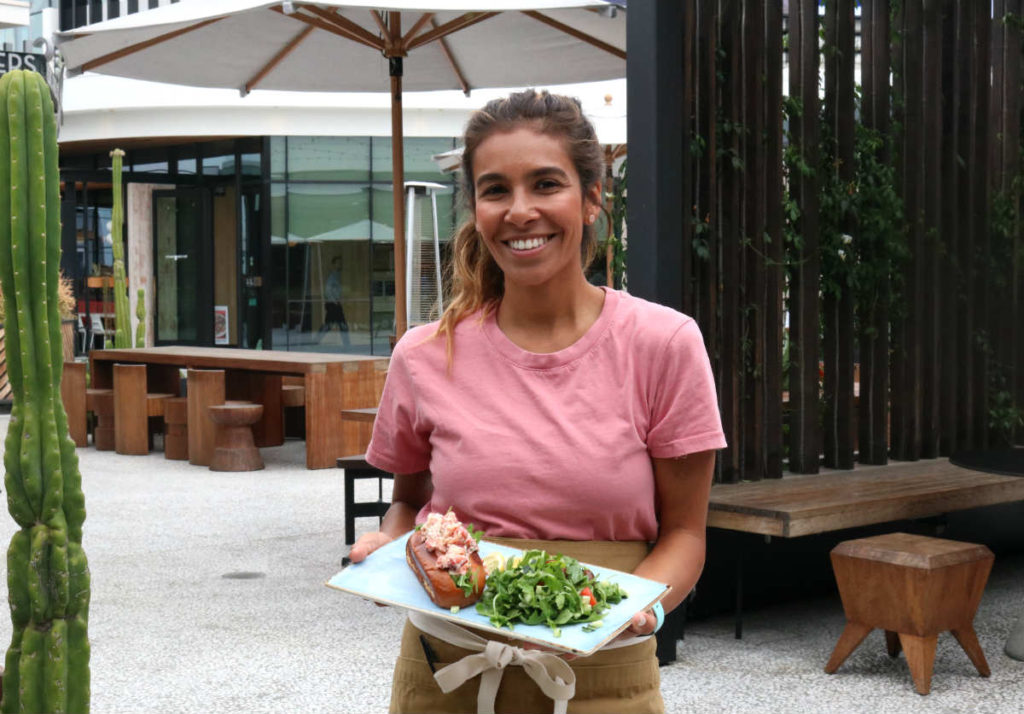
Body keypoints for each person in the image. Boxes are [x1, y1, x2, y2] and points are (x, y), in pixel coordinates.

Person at [349, 89, 726, 713]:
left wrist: (637, 612)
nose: (520, 211)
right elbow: (411, 505)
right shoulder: (424, 355)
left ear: (592, 198)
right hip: (446, 674)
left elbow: (685, 532)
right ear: (474, 209)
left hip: (605, 673)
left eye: (546, 184)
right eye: (495, 190)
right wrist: (384, 547)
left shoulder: (663, 344)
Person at [320, 255, 351, 348]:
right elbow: (328, 290)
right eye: (338, 263)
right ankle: (347, 344)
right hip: (333, 304)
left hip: (335, 303)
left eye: (340, 263)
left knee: (331, 324)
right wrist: (334, 301)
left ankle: (347, 343)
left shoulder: (337, 275)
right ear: (334, 264)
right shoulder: (333, 276)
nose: (340, 265)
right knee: (339, 324)